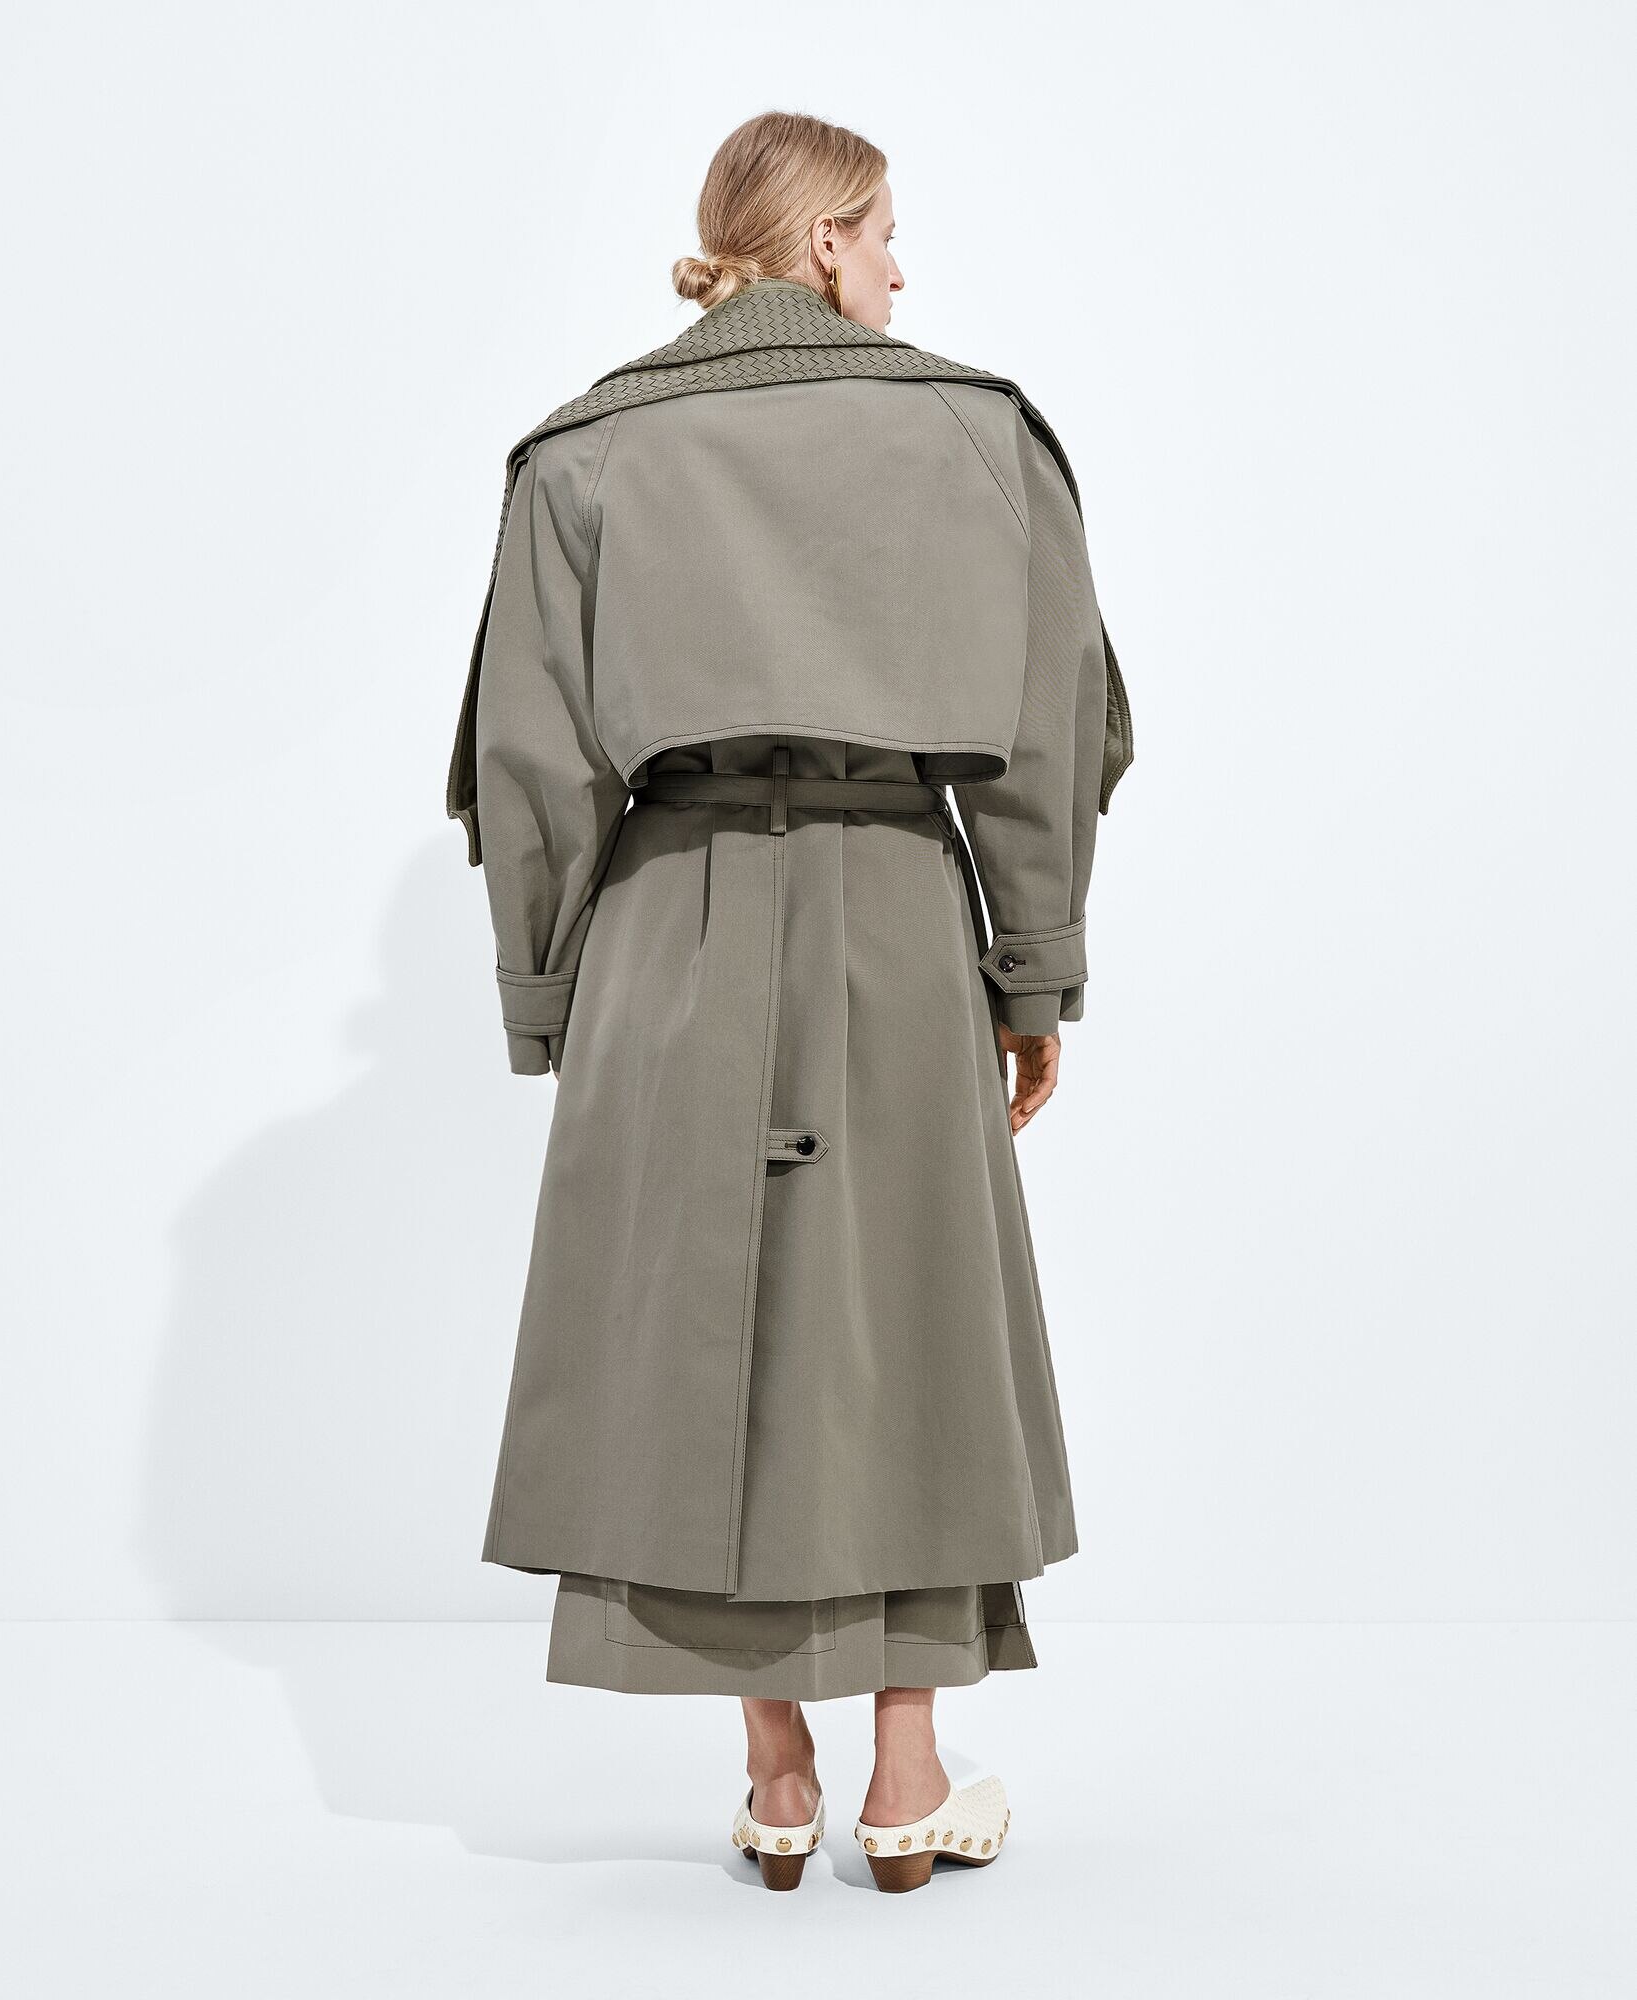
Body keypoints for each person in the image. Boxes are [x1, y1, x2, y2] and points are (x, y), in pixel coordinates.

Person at [445, 109, 1133, 1893]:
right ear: (823, 241)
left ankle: (773, 1777)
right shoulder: (976, 430)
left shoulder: (584, 448)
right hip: (897, 908)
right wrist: (1032, 969)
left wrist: (549, 993)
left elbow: (528, 757)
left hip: (663, 924)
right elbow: (1049, 730)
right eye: (885, 231)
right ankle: (908, 1778)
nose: (902, 266)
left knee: (701, 1336)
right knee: (908, 1323)